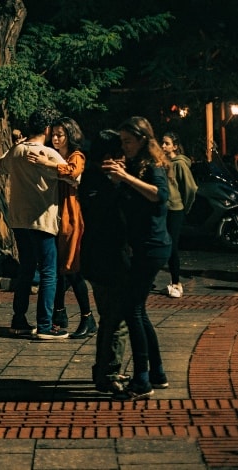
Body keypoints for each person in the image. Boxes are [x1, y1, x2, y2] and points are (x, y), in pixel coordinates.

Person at [103, 116, 171, 401]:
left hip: (153, 246)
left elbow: (159, 195)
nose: (125, 146)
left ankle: (143, 378)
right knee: (138, 310)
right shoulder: (133, 165)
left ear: (143, 140)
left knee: (132, 310)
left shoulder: (154, 167)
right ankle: (155, 372)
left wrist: (126, 178)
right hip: (141, 246)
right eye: (122, 142)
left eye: (129, 141)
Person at [0, 108, 69, 340]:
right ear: (47, 130)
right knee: (49, 271)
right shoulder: (48, 153)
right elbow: (74, 176)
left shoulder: (17, 151)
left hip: (19, 219)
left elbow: (0, 166)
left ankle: (19, 319)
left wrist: (15, 145)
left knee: (26, 269)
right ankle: (45, 325)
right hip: (43, 220)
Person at [30, 117, 95, 339]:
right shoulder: (53, 154)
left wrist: (49, 165)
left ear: (70, 135)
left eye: (61, 135)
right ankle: (60, 314)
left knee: (71, 268)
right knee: (58, 270)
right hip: (55, 216)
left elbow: (73, 172)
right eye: (54, 134)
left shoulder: (76, 156)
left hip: (70, 216)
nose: (56, 138)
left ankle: (88, 317)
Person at [78, 129, 130, 393]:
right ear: (109, 157)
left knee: (110, 317)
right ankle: (108, 372)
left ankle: (103, 368)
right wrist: (119, 184)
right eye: (120, 155)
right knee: (116, 319)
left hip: (97, 260)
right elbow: (111, 220)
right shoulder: (99, 183)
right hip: (108, 261)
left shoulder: (90, 179)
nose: (124, 160)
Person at [161, 131, 197, 298]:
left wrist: (184, 207)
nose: (163, 146)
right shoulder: (162, 162)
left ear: (174, 146)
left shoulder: (180, 164)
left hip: (175, 209)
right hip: (164, 208)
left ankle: (176, 282)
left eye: (167, 143)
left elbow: (190, 188)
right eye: (162, 143)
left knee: (172, 246)